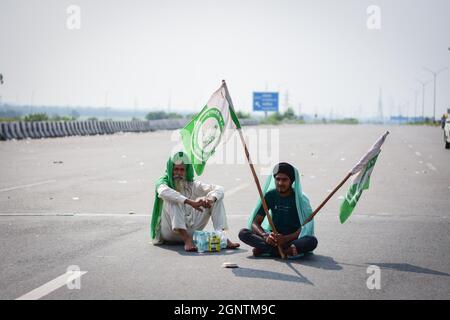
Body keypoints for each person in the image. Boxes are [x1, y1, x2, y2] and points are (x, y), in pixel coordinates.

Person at [150, 151, 240, 252]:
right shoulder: (163, 182)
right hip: (170, 232)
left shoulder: (191, 185)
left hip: (191, 228)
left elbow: (219, 189)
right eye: (175, 169)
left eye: (182, 170)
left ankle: (221, 237)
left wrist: (210, 199)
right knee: (174, 200)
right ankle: (187, 240)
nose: (178, 173)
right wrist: (191, 202)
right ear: (170, 169)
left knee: (216, 199)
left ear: (186, 171)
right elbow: (163, 192)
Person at [238, 162, 317, 258]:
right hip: (273, 238)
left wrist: (285, 239)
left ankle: (268, 250)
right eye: (278, 179)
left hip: (292, 238)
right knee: (243, 233)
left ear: (291, 181)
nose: (280, 183)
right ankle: (282, 251)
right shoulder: (270, 195)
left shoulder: (301, 199)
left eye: (284, 180)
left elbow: (306, 227)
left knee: (312, 241)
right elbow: (255, 222)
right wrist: (265, 236)